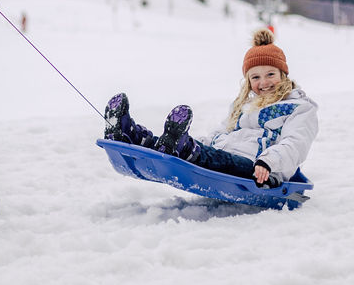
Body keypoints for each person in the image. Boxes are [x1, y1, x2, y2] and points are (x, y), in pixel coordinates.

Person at [103, 28, 318, 186]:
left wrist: (268, 162)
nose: (264, 83)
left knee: (205, 156)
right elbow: (220, 134)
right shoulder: (244, 105)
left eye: (270, 74)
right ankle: (132, 136)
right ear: (248, 81)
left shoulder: (299, 108)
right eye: (256, 77)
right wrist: (201, 142)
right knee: (196, 149)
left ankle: (184, 148)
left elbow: (295, 143)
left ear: (283, 74)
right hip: (222, 155)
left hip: (257, 168)